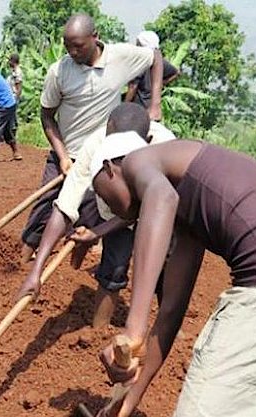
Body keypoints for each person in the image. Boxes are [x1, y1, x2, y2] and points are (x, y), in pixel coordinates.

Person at [68, 131, 256, 417]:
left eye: (105, 197)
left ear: (109, 169)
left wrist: (133, 329)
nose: (115, 210)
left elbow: (160, 196)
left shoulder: (138, 160)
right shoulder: (189, 208)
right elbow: (169, 313)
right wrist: (126, 402)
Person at [18, 13, 164, 306]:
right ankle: (21, 269)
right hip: (69, 153)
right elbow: (47, 115)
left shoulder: (121, 57)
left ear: (95, 37)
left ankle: (84, 257)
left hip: (102, 156)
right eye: (67, 46)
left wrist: (155, 101)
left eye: (79, 46)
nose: (72, 53)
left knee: (96, 214)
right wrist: (61, 156)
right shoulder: (59, 71)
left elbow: (155, 56)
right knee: (44, 210)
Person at [125, 30, 180, 110]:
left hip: (138, 107)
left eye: (138, 43)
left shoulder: (140, 61)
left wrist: (124, 106)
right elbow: (176, 72)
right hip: (153, 106)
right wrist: (159, 85)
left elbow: (133, 87)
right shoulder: (159, 61)